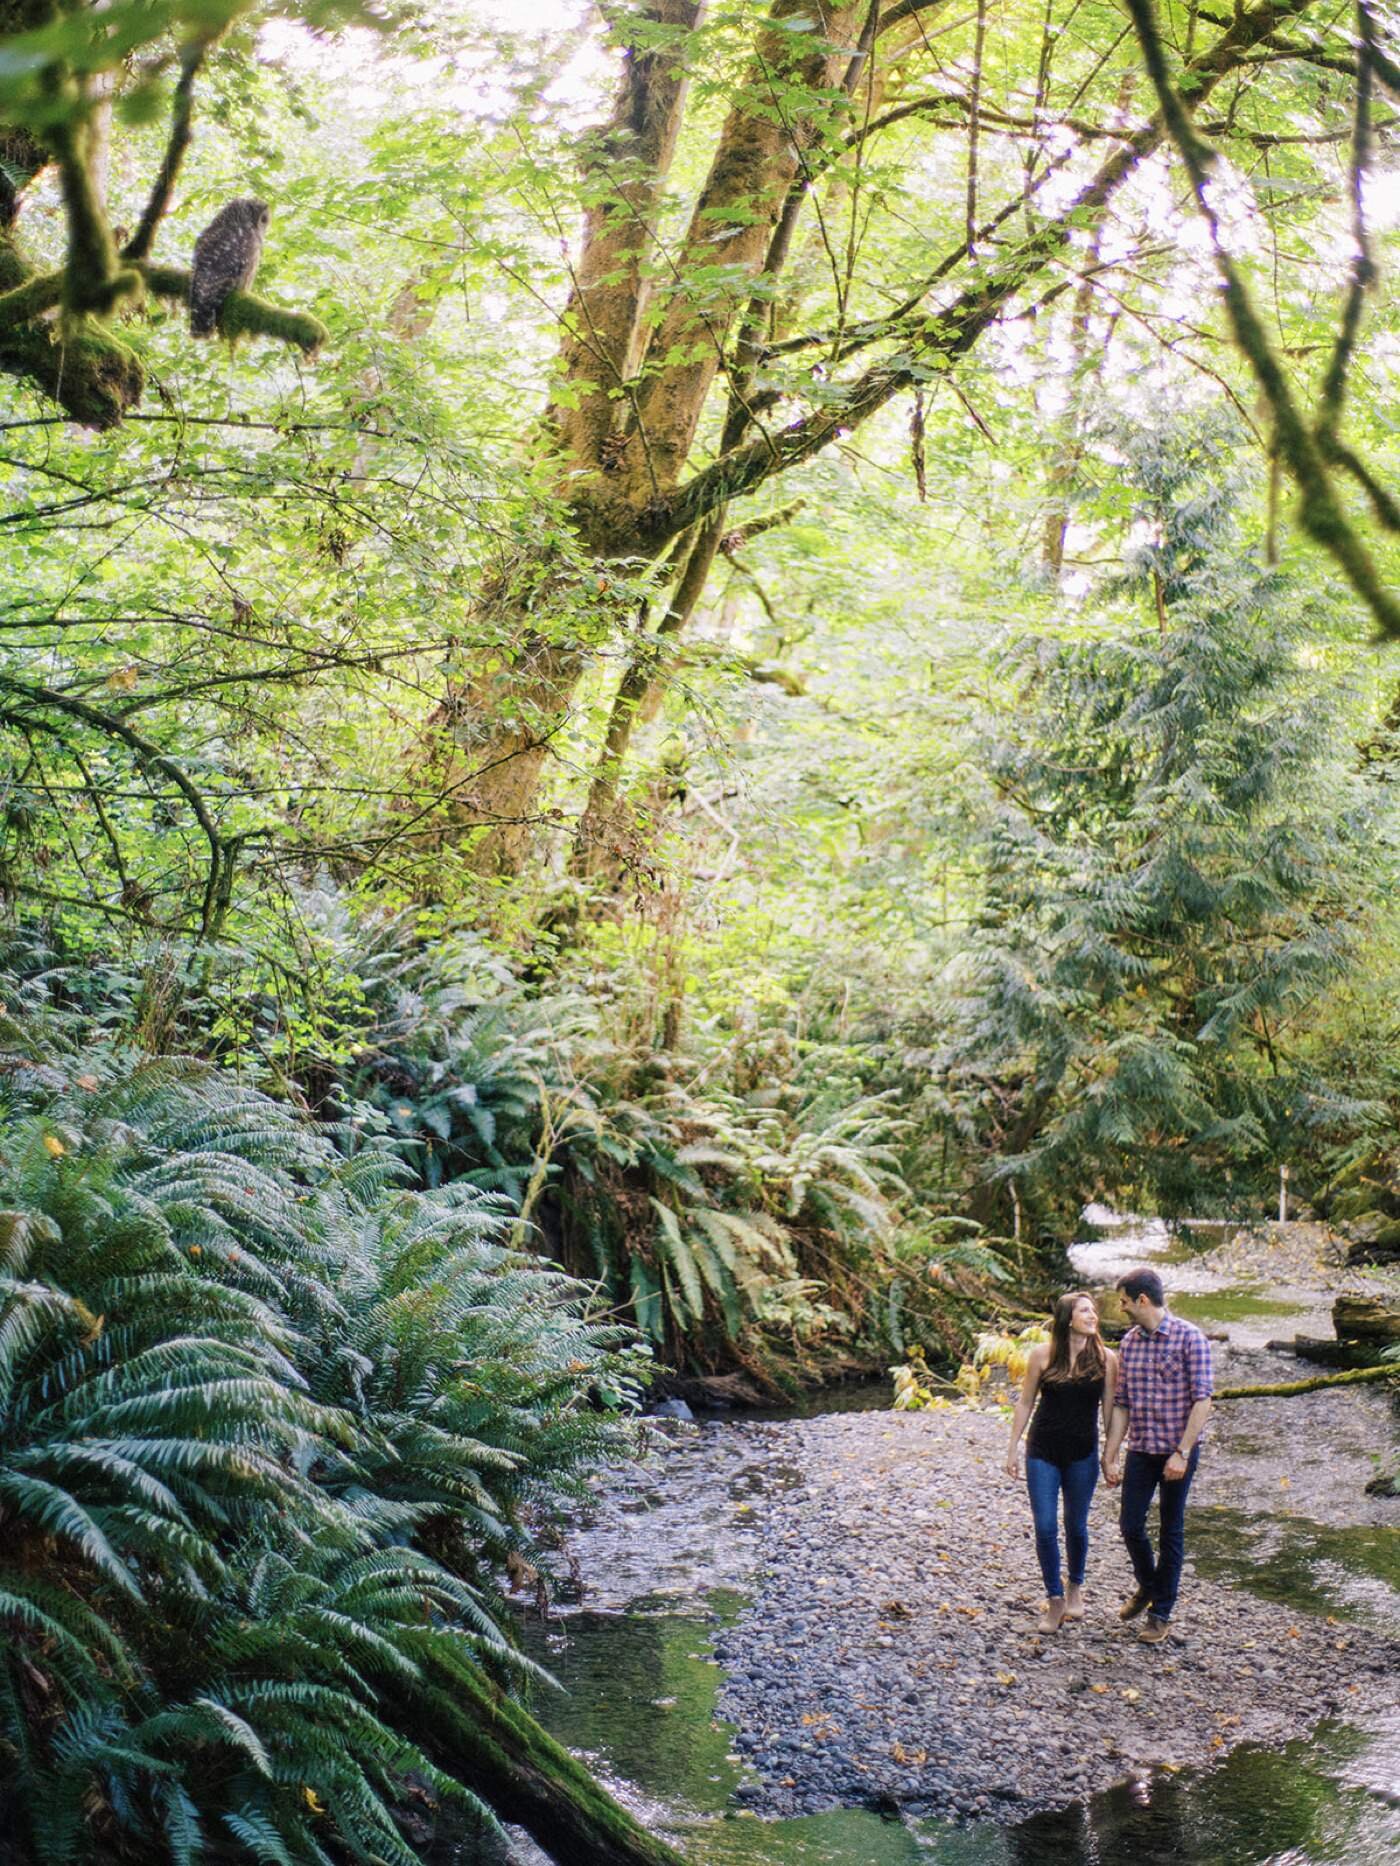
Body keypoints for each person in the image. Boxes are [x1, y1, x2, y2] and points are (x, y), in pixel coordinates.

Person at [1100, 1265, 1214, 1645]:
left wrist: (1182, 1453)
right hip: (1142, 1450)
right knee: (1130, 1525)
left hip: (1177, 1452)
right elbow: (1123, 1404)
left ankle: (1161, 1612)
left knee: (1171, 1530)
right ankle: (1149, 1585)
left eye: (1125, 1301)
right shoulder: (1130, 1343)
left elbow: (1202, 1401)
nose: (1122, 1308)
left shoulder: (1190, 1339)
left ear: (1142, 1300)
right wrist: (1111, 1453)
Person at [1004, 1291, 1119, 1634]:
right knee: (1044, 1527)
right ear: (1069, 1317)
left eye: (1094, 1311)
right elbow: (1025, 1403)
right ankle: (1054, 1599)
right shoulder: (1042, 1355)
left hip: (1082, 1453)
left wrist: (1110, 1456)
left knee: (1077, 1525)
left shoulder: (1106, 1358)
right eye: (1085, 1310)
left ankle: (1075, 1588)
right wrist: (1012, 1448)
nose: (1092, 1315)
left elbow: (1111, 1410)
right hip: (1042, 1451)